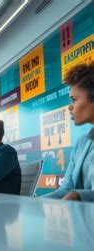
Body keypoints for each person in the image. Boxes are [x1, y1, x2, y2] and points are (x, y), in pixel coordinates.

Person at [42, 63, 94, 201]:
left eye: (74, 100)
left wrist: (79, 196)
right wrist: (33, 204)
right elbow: (66, 190)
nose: (70, 107)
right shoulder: (82, 143)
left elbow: (73, 195)